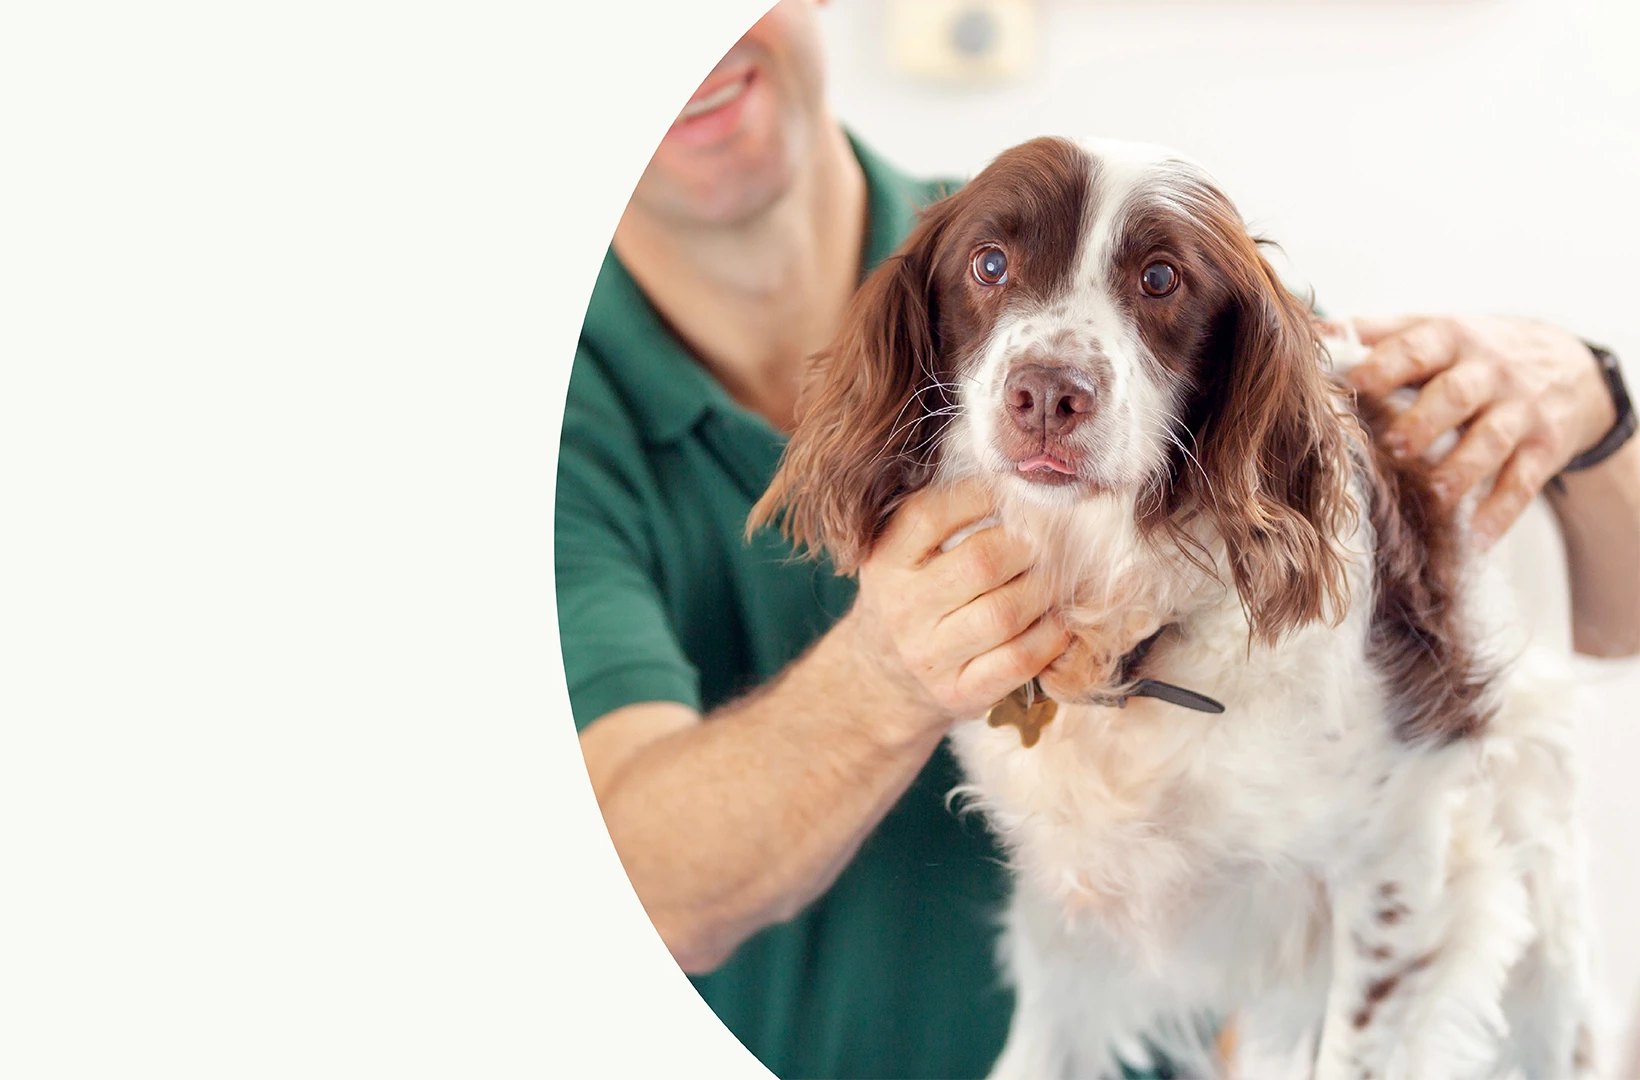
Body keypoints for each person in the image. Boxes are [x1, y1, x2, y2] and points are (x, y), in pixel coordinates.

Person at [554, 3, 1640, 1076]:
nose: (1053, 371)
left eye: (1157, 284)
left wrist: (1599, 408)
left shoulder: (1090, 262)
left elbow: (1614, 618)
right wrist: (892, 671)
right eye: (995, 276)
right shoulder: (557, 425)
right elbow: (635, 892)